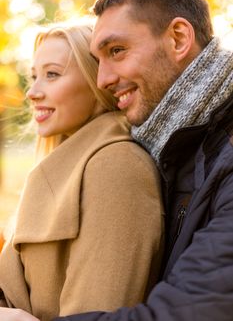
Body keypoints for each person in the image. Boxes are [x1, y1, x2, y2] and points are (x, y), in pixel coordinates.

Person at [51, 0, 232, 320]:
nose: (103, 80)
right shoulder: (171, 149)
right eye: (98, 60)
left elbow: (189, 313)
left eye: (117, 51)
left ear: (178, 38)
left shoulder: (222, 154)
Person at [0, 19, 164, 321]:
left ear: (96, 81)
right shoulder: (63, 168)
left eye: (52, 74)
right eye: (33, 76)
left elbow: (97, 313)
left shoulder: (116, 168)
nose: (32, 92)